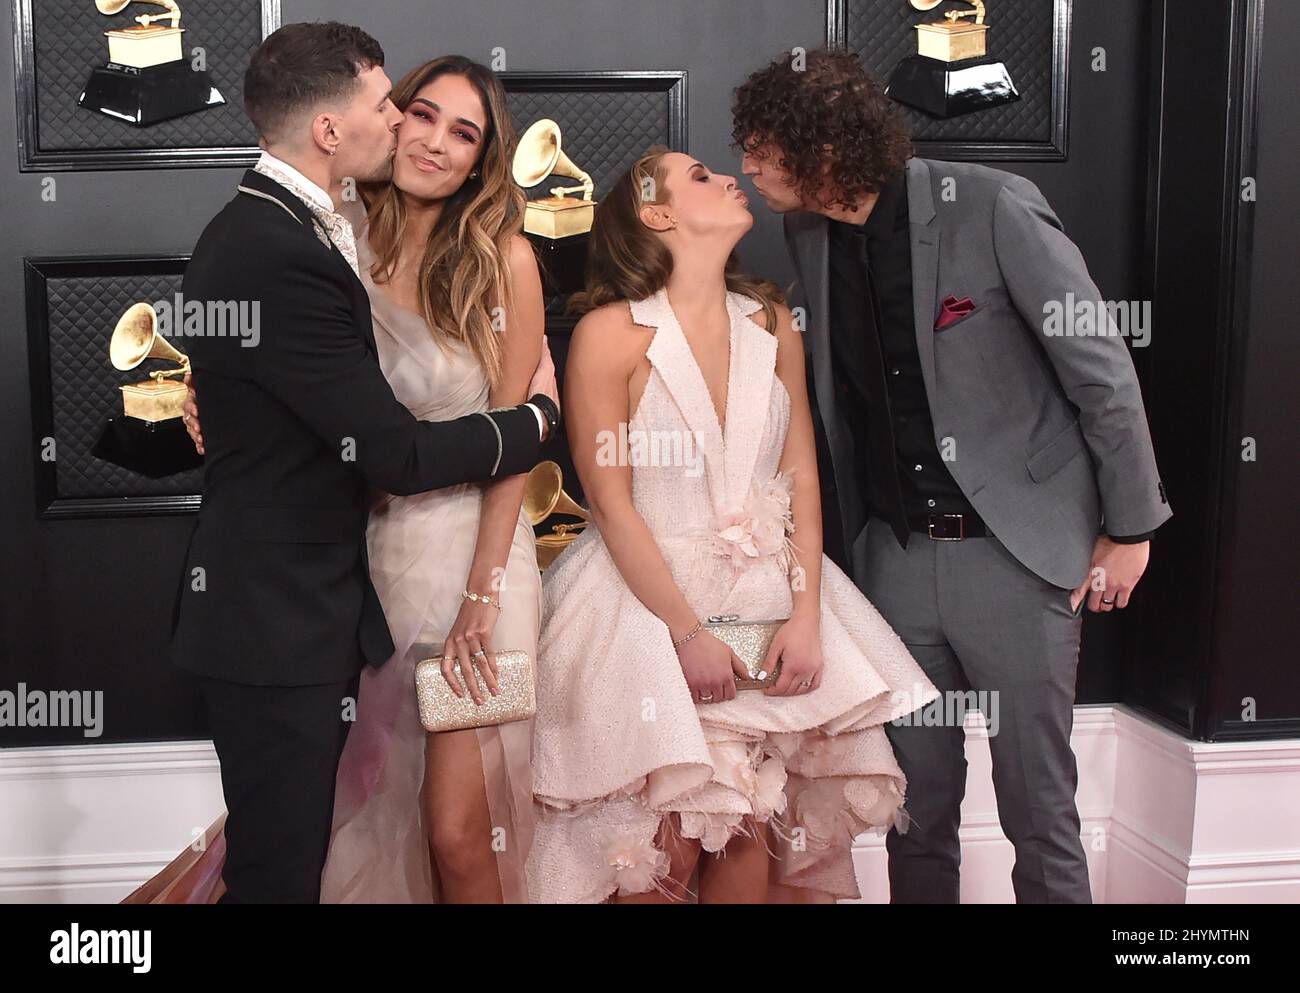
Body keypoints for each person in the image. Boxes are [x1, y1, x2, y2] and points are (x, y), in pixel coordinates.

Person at [732, 48, 1171, 902]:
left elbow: (1102, 371)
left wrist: (1131, 529)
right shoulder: (807, 233)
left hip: (1015, 554)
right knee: (915, 807)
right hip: (892, 562)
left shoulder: (992, 205)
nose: (746, 166)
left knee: (1037, 807)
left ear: (823, 151)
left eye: (762, 148)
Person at [162, 24, 559, 904]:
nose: (430, 139)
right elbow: (344, 421)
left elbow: (483, 462)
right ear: (366, 125)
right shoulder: (335, 237)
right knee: (358, 830)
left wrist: (484, 593)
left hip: (473, 569)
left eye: (466, 134)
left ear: (484, 163)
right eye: (415, 111)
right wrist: (214, 404)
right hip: (360, 576)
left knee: (462, 832)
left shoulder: (506, 261)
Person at [525, 147, 940, 904]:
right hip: (640, 608)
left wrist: (808, 613)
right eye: (700, 177)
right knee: (660, 852)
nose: (728, 178)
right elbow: (611, 502)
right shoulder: (608, 333)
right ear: (657, 215)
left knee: (751, 826)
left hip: (768, 600)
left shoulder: (772, 321)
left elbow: (802, 476)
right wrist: (685, 631)